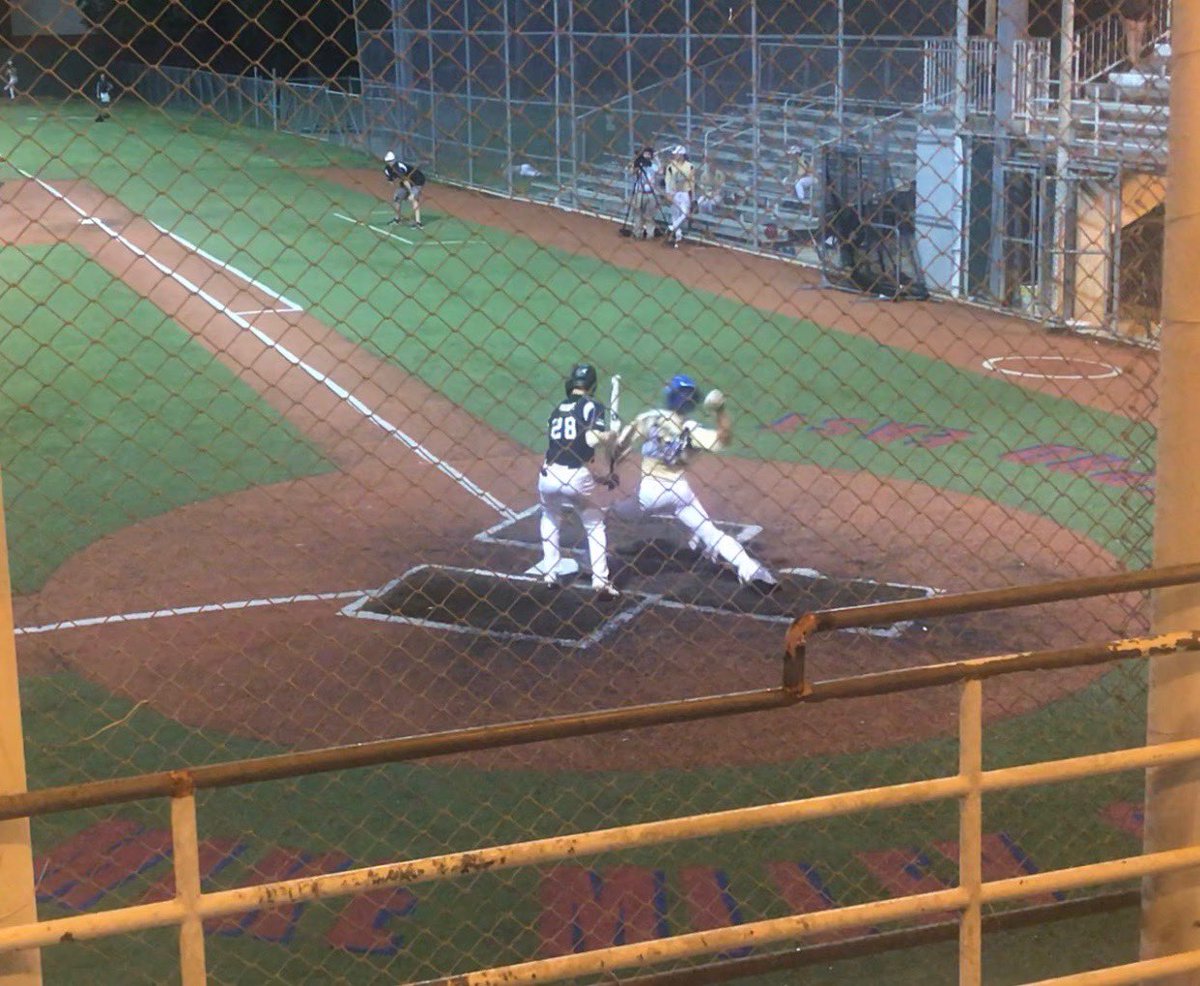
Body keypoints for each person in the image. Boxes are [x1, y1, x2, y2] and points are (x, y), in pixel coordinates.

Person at [613, 374, 777, 592]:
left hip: (648, 493)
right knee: (711, 532)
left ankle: (595, 562)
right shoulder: (693, 429)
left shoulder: (651, 418)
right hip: (680, 492)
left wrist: (613, 453)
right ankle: (752, 570)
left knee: (608, 515)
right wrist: (720, 411)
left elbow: (620, 447)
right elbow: (724, 439)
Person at [538, 363, 620, 598]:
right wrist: (610, 435)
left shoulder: (558, 408)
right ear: (592, 385)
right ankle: (600, 581)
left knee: (550, 517)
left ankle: (550, 573)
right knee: (594, 524)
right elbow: (592, 440)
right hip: (576, 476)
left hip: (549, 474)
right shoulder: (592, 405)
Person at [663, 145, 696, 248]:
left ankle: (672, 227)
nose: (675, 155)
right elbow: (667, 180)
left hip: (684, 192)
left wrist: (693, 197)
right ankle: (677, 235)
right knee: (674, 214)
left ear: (682, 155)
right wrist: (668, 193)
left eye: (677, 154)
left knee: (685, 213)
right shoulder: (670, 166)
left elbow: (692, 182)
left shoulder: (690, 166)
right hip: (674, 192)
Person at [383, 151, 424, 229]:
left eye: (391, 161)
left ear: (394, 160)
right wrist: (391, 182)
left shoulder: (398, 168)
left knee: (413, 198)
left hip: (417, 180)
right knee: (397, 197)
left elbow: (405, 181)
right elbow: (391, 180)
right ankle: (397, 219)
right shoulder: (387, 170)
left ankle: (418, 223)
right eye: (388, 161)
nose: (390, 163)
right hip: (405, 182)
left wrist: (411, 192)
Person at [629, 146, 660, 239]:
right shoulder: (639, 163)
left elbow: (660, 171)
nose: (646, 156)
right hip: (639, 192)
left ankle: (650, 234)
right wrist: (637, 163)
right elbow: (631, 172)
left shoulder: (652, 165)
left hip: (650, 193)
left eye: (648, 154)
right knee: (638, 214)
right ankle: (637, 233)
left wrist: (657, 159)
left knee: (649, 215)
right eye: (645, 154)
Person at [1119, 0, 1151, 70]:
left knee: (1132, 38)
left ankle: (1133, 61)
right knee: (1137, 38)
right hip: (1141, 8)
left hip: (1132, 8)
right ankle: (1135, 61)